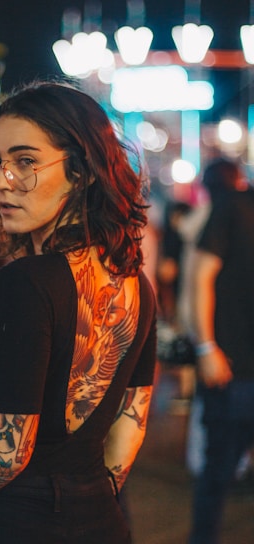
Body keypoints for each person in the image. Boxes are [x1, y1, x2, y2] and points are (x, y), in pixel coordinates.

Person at [0, 81, 157, 544]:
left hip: (10, 520)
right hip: (100, 518)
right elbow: (131, 424)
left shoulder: (26, 281)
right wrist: (86, 498)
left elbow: (7, 448)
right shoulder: (137, 283)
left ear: (82, 170)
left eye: (26, 162)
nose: (3, 181)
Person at [189, 158, 254, 544]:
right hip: (233, 369)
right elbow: (200, 277)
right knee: (217, 475)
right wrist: (206, 346)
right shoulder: (235, 205)